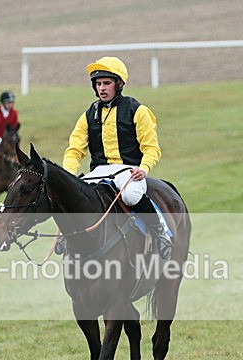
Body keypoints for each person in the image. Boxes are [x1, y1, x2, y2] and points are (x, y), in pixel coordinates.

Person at [62, 56, 172, 260]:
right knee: (72, 194)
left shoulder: (138, 110)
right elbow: (75, 149)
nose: (102, 88)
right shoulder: (89, 114)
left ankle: (160, 234)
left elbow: (151, 147)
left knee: (130, 196)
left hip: (129, 170)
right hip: (99, 171)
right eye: (98, 84)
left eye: (107, 83)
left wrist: (144, 168)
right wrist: (69, 174)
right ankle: (66, 236)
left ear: (119, 84)